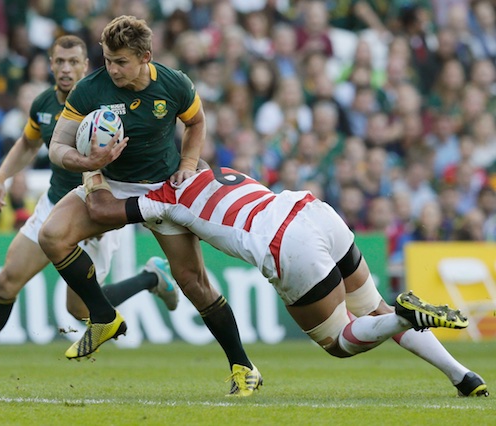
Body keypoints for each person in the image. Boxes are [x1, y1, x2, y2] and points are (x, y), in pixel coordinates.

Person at [84, 166, 489, 398]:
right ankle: (464, 377)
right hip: (312, 210)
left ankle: (405, 317)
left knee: (338, 341)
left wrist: (94, 174)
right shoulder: (214, 170)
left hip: (286, 243)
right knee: (372, 308)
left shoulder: (162, 199)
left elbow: (103, 211)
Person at [0, 35, 178, 381]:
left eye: (73, 62)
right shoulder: (44, 103)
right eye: (59, 62)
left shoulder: (105, 102)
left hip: (92, 213)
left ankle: (151, 277)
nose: (65, 69)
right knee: (6, 280)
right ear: (50, 64)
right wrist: (0, 178)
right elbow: (28, 143)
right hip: (52, 204)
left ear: (85, 65)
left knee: (78, 309)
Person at [38, 15, 259, 398]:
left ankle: (243, 366)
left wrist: (188, 166)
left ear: (146, 56)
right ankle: (104, 317)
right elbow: (58, 146)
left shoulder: (174, 84)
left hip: (161, 188)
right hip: (108, 181)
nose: (112, 69)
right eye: (107, 59)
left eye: (120, 61)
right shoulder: (91, 89)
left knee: (194, 283)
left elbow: (197, 123)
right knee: (51, 235)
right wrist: (87, 163)